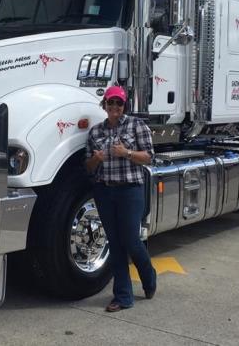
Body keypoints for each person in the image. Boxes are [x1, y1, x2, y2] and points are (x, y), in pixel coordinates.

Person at [85, 86, 157, 312]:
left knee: (131, 241)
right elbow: (87, 167)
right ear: (104, 105)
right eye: (111, 102)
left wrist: (126, 153)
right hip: (105, 191)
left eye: (119, 103)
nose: (115, 106)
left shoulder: (137, 125)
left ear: (124, 105)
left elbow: (149, 157)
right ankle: (123, 296)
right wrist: (96, 159)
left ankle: (149, 276)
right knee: (115, 244)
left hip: (130, 191)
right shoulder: (95, 132)